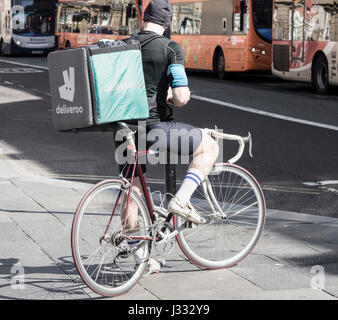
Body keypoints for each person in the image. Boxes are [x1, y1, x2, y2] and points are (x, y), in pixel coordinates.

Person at [115, 0, 219, 229]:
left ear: (144, 20)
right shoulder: (170, 48)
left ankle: (138, 252)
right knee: (209, 146)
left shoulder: (122, 46)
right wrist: (176, 95)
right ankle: (181, 200)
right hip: (155, 129)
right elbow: (181, 97)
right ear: (167, 22)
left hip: (123, 129)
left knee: (132, 189)